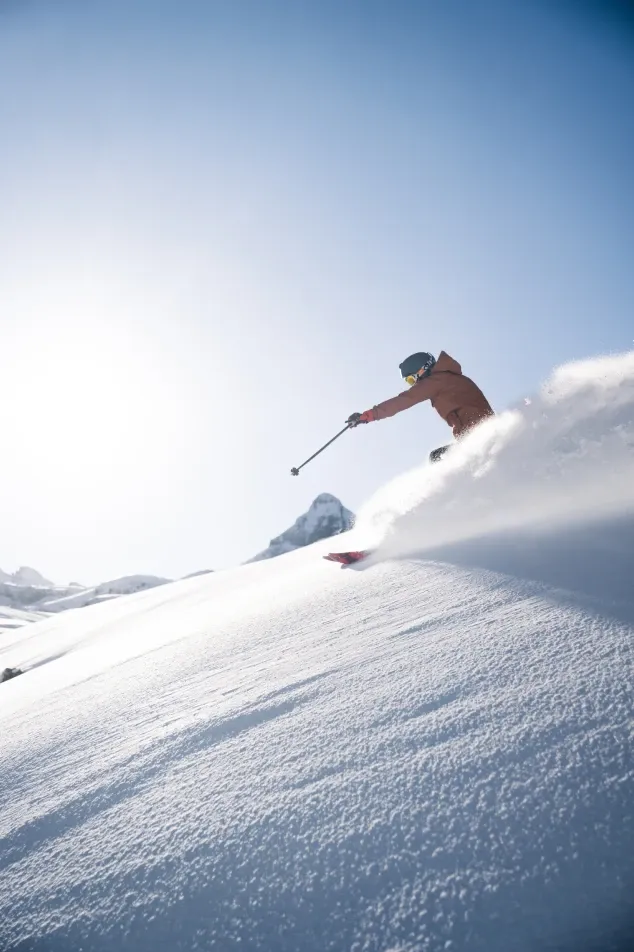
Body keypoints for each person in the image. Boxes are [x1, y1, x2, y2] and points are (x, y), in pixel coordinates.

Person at [347, 351, 494, 462]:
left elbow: (404, 400)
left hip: (477, 434)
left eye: (411, 380)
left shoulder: (436, 381)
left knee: (437, 458)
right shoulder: (449, 377)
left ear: (423, 370)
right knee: (442, 457)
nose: (414, 385)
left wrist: (368, 416)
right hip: (478, 433)